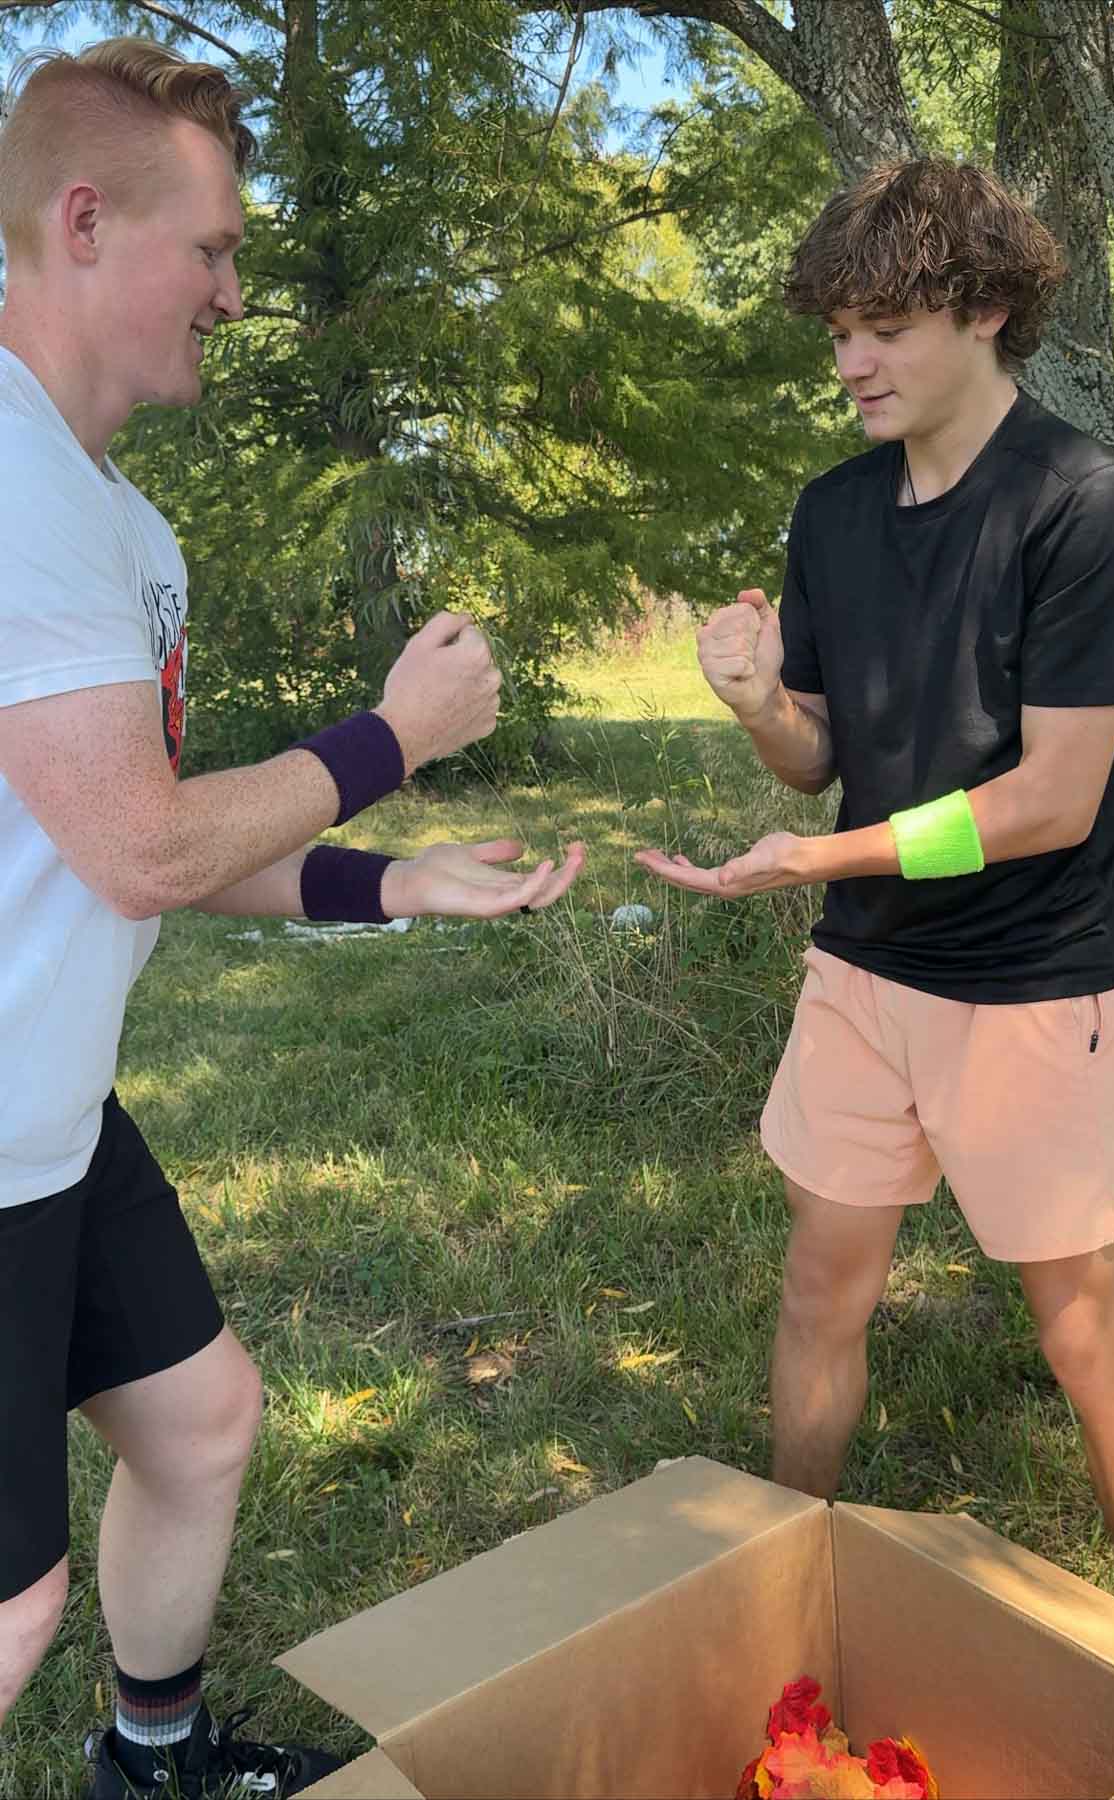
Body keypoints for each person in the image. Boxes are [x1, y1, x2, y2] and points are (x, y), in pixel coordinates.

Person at [0, 38, 583, 1799]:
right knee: (6, 1605)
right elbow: (141, 850)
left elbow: (165, 833)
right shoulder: (7, 476)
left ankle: (150, 1763)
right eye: (217, 249)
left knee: (200, 1421)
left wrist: (391, 876)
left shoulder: (121, 522)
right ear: (85, 223)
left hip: (53, 1113)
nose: (238, 293)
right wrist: (395, 741)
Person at [638, 159, 1114, 1588]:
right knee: (817, 1288)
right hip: (862, 972)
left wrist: (817, 856)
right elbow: (820, 754)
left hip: (1033, 982)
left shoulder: (1082, 505)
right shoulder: (833, 511)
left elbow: (1049, 800)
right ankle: (791, 1582)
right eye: (836, 329)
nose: (850, 361)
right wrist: (755, 704)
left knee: (1086, 1330)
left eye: (884, 326)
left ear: (984, 310)